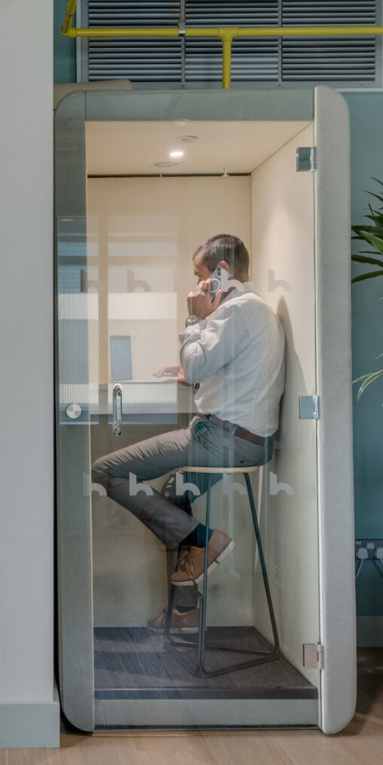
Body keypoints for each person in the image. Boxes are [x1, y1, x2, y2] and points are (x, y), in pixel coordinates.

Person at [91, 233, 286, 627]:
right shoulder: (256, 310)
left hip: (222, 439)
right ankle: (186, 610)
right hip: (249, 441)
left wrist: (194, 318)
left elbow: (198, 365)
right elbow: (221, 372)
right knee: (173, 493)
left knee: (104, 471)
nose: (196, 285)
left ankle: (204, 540)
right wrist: (186, 375)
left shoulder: (237, 310)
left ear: (221, 272)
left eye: (199, 276)